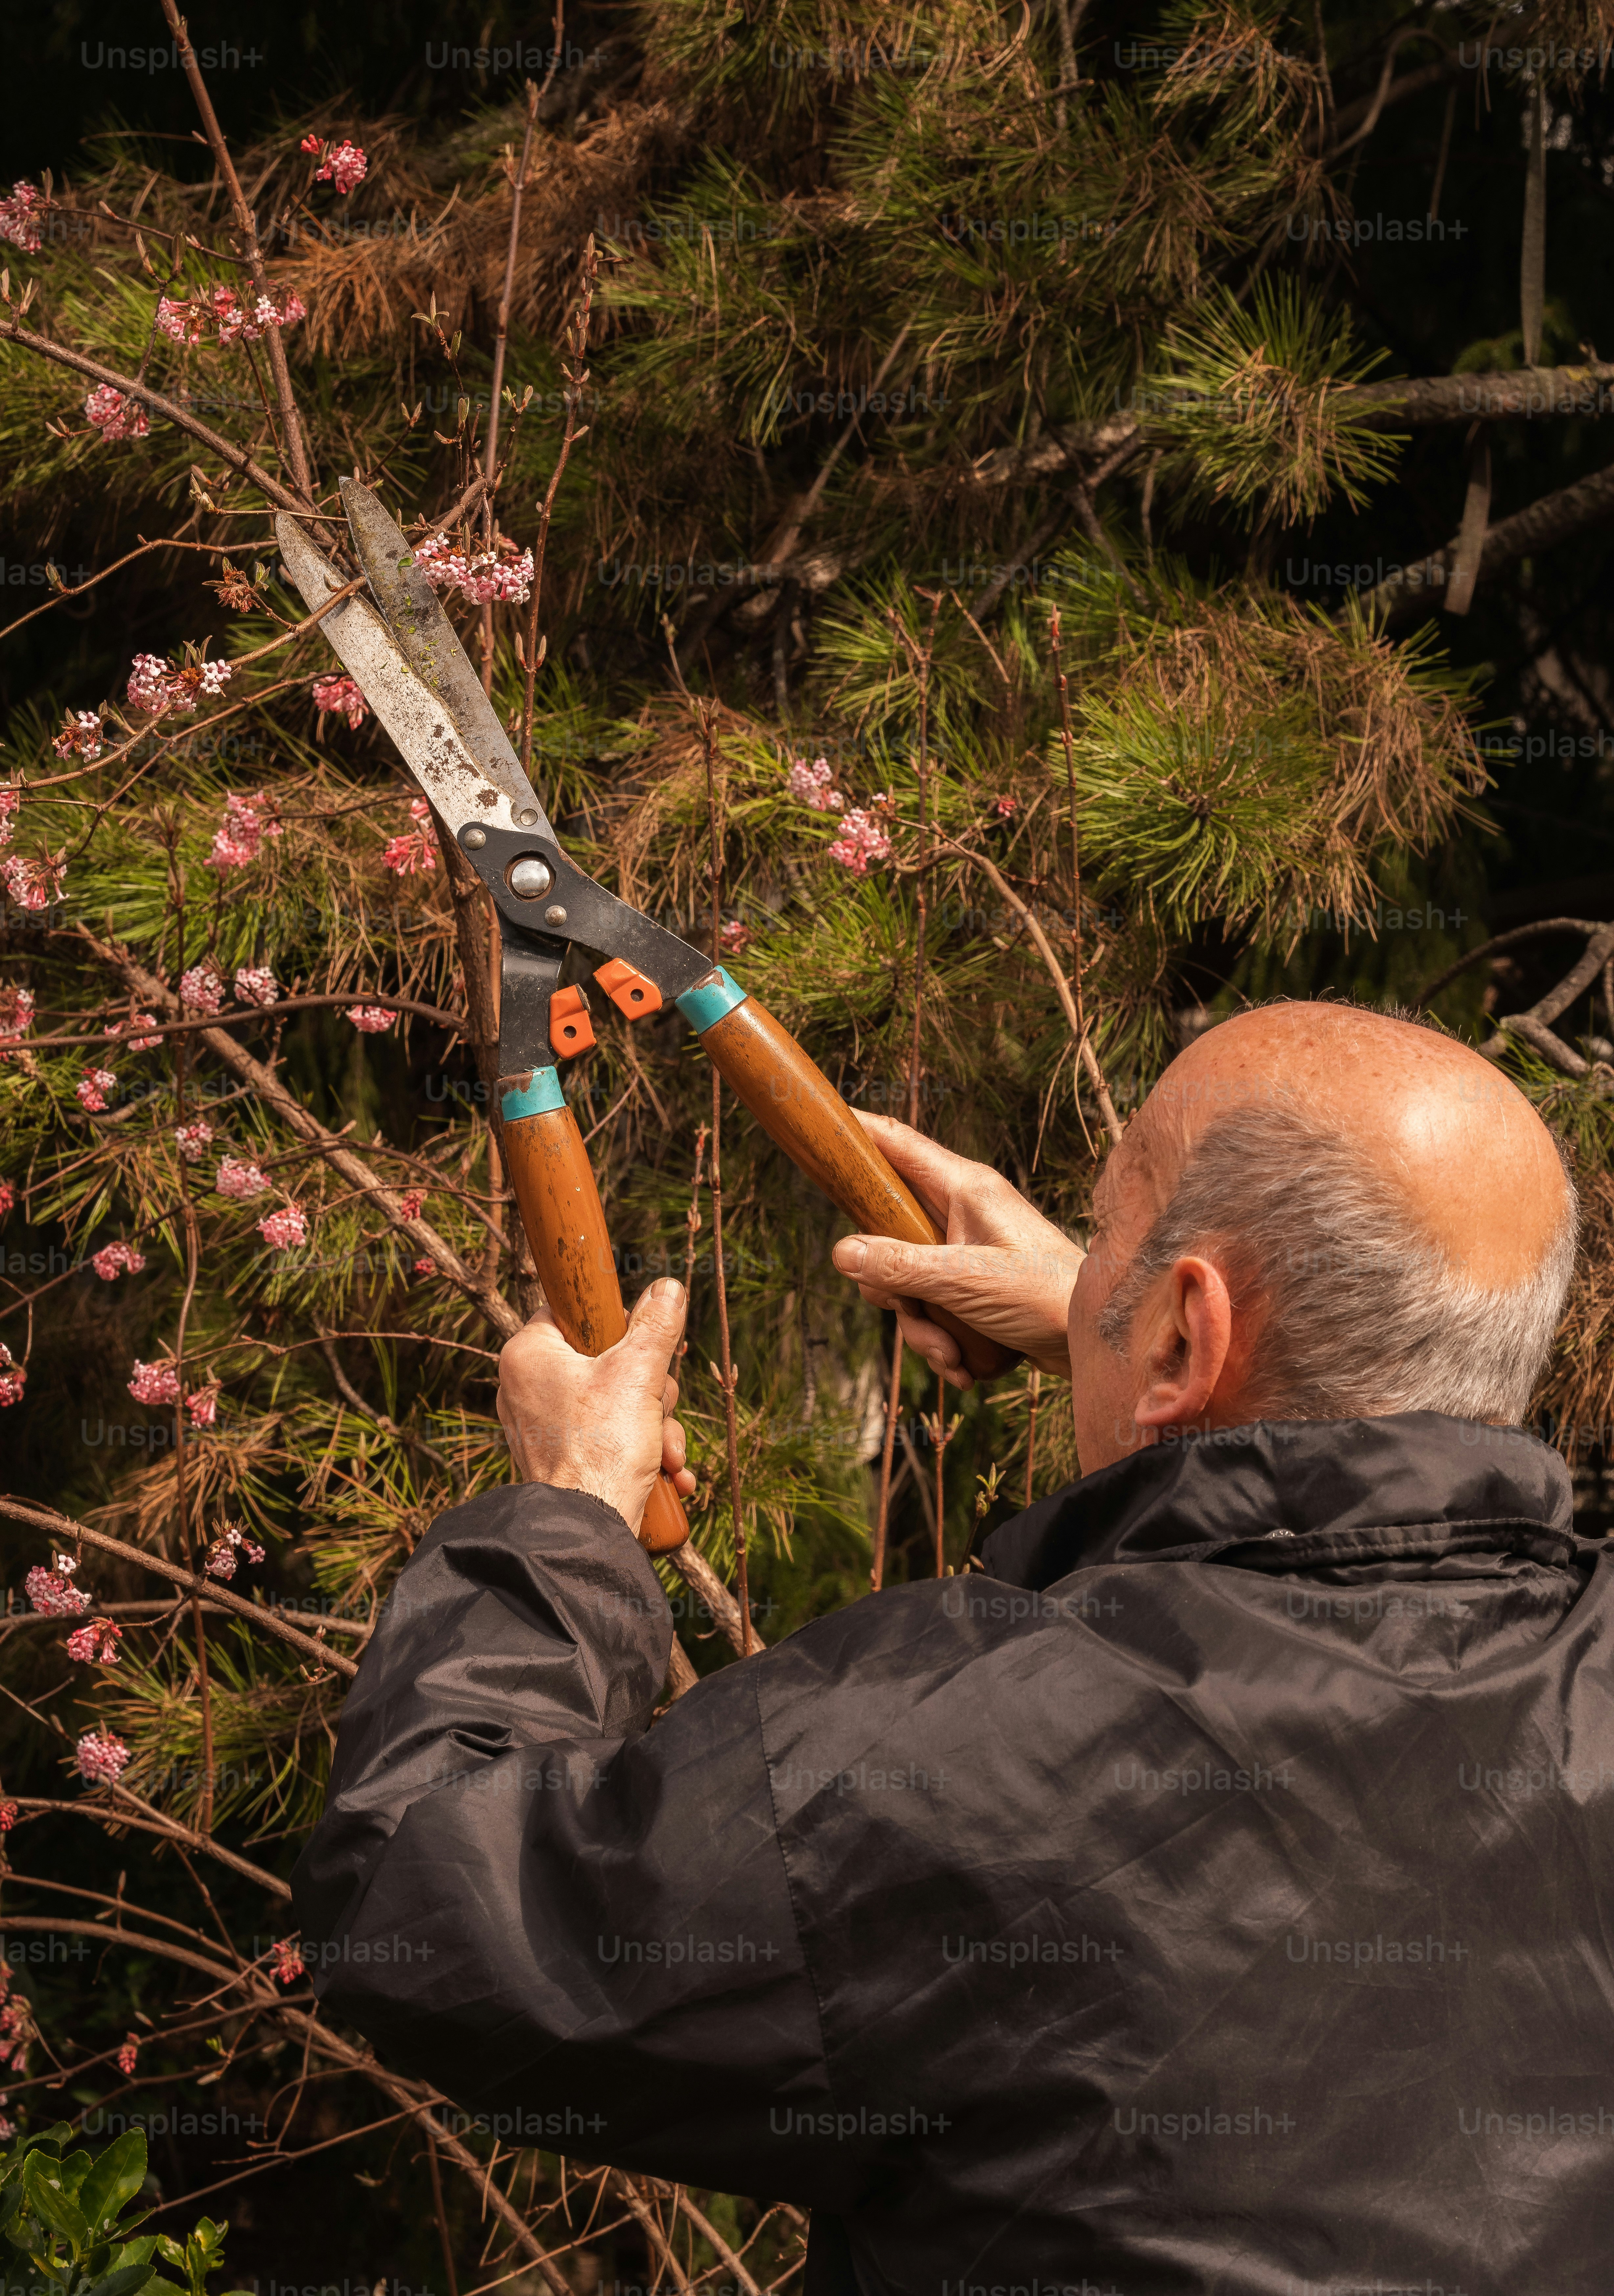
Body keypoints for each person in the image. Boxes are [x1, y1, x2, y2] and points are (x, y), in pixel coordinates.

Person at [292, 1001, 1614, 2296]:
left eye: (1102, 1226)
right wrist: (1125, 1343)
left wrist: (569, 1507)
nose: (1084, 1253)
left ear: (1185, 1325)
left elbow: (432, 1901)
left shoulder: (968, 1745)